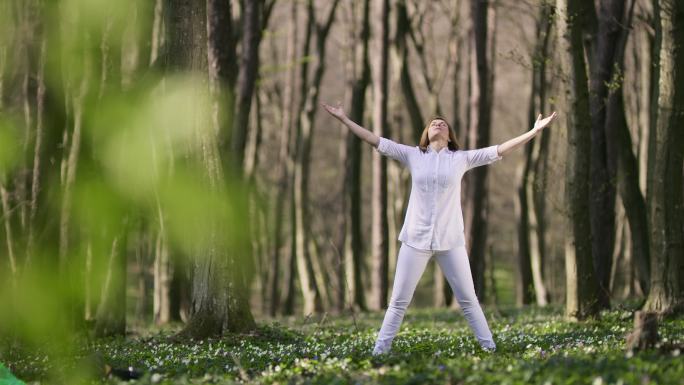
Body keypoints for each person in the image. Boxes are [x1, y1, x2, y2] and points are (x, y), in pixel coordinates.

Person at [321, 102, 557, 355]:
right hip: (415, 239)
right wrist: (344, 119)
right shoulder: (412, 155)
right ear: (426, 133)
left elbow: (498, 150)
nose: (438, 123)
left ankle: (490, 349)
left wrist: (533, 132)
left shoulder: (461, 158)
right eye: (433, 123)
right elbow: (375, 140)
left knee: (468, 301)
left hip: (450, 241)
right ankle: (380, 352)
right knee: (398, 302)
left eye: (443, 123)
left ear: (449, 135)